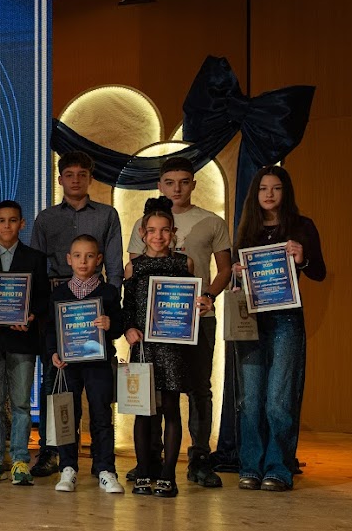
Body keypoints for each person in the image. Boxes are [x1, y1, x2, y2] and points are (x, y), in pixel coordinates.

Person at [125, 157, 232, 487]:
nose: (177, 188)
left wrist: (209, 296)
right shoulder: (143, 225)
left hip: (196, 321)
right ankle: (151, 460)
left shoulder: (211, 221)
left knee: (198, 389)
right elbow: (137, 288)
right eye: (170, 182)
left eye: (184, 181)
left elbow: (224, 269)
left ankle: (199, 460)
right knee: (151, 399)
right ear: (160, 185)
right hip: (151, 334)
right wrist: (132, 325)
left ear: (193, 184)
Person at [30, 151, 124, 479]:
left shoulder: (107, 215)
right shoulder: (45, 218)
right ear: (60, 179)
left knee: (99, 397)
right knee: (54, 386)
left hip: (96, 303)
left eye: (82, 174)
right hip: (57, 301)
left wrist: (109, 305)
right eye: (69, 174)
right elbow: (37, 266)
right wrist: (42, 308)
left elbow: (114, 263)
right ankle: (51, 453)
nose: (75, 180)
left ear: (90, 179)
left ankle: (101, 462)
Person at [232, 166, 325, 491]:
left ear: (286, 192)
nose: (269, 194)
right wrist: (238, 273)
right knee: (251, 399)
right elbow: (238, 282)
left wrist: (302, 258)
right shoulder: (247, 229)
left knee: (279, 399)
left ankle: (278, 468)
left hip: (286, 320)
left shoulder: (302, 226)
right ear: (255, 194)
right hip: (251, 321)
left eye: (276, 188)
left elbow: (320, 273)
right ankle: (250, 467)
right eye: (263, 188)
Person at [123, 197, 210, 498]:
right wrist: (128, 328)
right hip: (143, 346)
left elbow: (190, 302)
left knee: (171, 407)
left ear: (173, 232)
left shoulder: (185, 263)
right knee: (143, 410)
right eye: (152, 230)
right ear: (143, 234)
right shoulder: (133, 267)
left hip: (173, 346)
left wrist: (201, 304)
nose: (158, 236)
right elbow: (127, 307)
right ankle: (144, 471)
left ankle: (168, 475)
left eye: (164, 230)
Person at [0, 200, 51, 486]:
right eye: (1, 220)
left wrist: (31, 315)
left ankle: (19, 460)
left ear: (22, 224)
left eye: (12, 220)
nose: (7, 225)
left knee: (21, 405)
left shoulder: (35, 258)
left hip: (22, 339)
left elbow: (43, 298)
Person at [44, 235, 125, 494]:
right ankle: (68, 468)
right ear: (69, 259)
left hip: (98, 364)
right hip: (68, 365)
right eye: (77, 256)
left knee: (101, 415)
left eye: (89, 256)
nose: (83, 261)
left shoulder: (108, 292)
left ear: (99, 259)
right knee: (68, 414)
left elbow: (120, 325)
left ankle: (105, 469)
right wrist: (53, 353)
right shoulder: (59, 293)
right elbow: (50, 329)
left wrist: (110, 324)